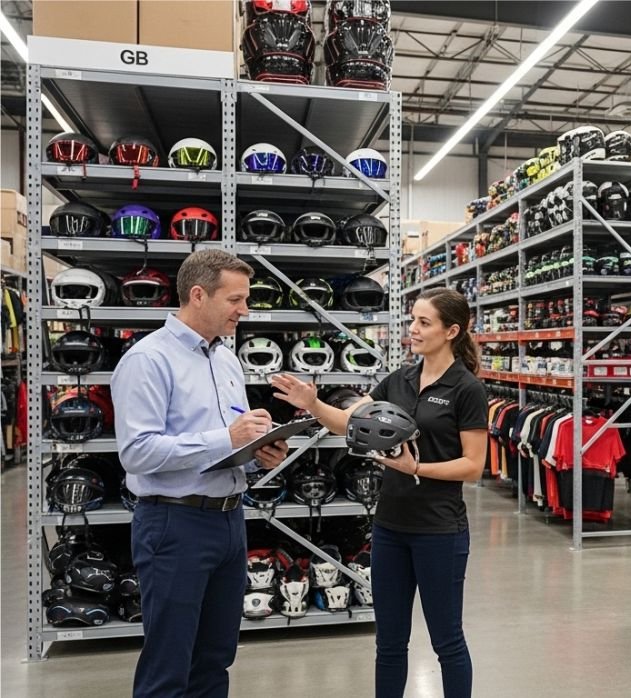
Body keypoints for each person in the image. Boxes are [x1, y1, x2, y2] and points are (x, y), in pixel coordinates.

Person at [271, 287, 488, 698]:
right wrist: (313, 404)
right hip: (389, 528)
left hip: (439, 531)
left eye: (424, 322)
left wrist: (416, 468)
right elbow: (348, 422)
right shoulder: (399, 380)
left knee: (447, 642)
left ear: (452, 331)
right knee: (388, 642)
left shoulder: (466, 389)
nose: (413, 329)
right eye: (413, 320)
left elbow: (473, 465)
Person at [111, 249, 289, 698]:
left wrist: (257, 455)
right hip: (174, 523)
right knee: (169, 665)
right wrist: (226, 438)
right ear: (197, 295)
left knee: (215, 658)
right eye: (235, 299)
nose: (244, 310)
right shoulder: (148, 360)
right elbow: (136, 452)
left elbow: (229, 444)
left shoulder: (226, 360)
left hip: (229, 520)